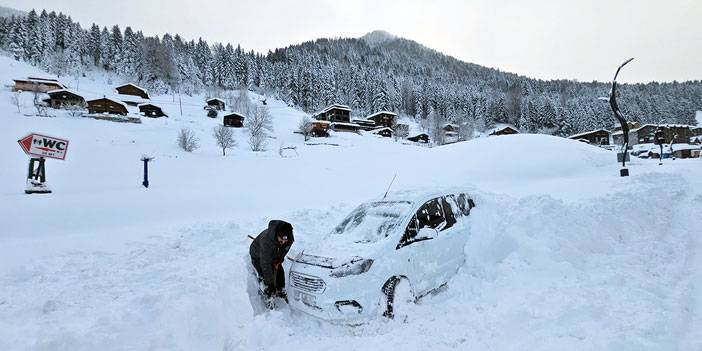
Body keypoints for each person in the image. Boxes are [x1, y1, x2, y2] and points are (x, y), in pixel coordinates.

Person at [249, 220, 294, 304]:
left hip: (273, 253)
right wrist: (270, 284)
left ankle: (280, 289)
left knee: (279, 270)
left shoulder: (289, 239)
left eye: (285, 241)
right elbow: (265, 263)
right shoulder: (266, 241)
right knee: (264, 274)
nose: (283, 242)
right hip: (258, 255)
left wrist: (280, 259)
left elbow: (284, 250)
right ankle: (268, 294)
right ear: (277, 235)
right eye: (281, 240)